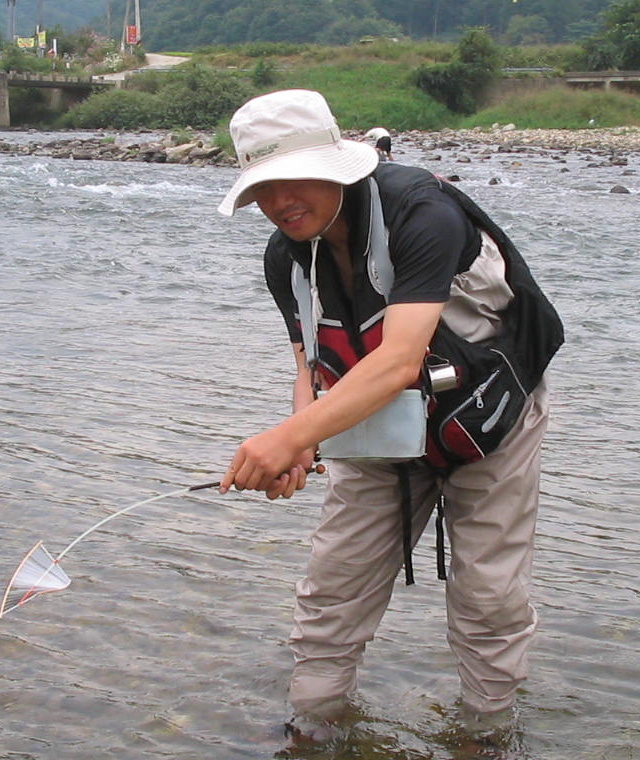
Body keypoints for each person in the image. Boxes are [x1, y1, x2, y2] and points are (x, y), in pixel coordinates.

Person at [216, 90, 563, 740]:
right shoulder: (283, 258)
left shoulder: (424, 214)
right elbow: (311, 367)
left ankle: (484, 740)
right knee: (330, 591)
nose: (281, 201)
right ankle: (311, 733)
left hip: (490, 424)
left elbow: (401, 358)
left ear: (336, 165)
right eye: (263, 187)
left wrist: (288, 437)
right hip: (378, 429)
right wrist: (301, 445)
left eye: (295, 179)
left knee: (488, 599)